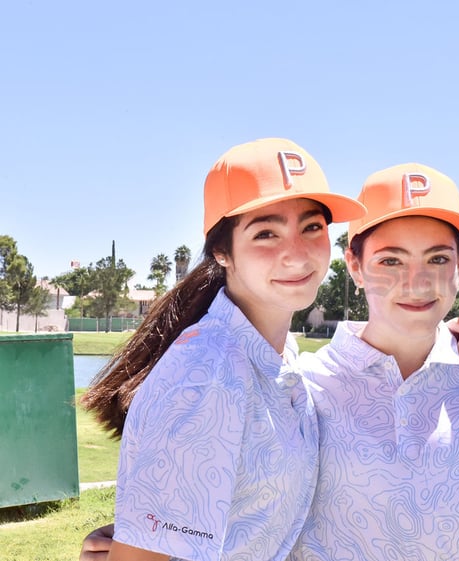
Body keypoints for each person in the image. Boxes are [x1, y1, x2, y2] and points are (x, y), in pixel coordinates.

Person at [80, 137, 366, 561]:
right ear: (222, 251)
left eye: (312, 228)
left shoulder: (276, 354)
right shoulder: (206, 369)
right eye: (266, 233)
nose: (296, 254)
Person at [289, 164, 459, 560]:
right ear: (355, 266)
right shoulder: (304, 388)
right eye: (391, 262)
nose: (416, 282)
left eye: (437, 259)